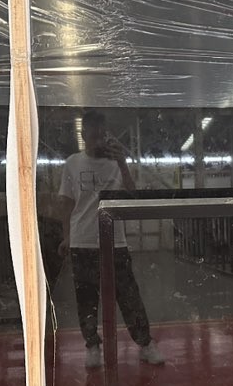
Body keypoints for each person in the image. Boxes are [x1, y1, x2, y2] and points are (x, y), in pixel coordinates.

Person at [58, 110, 164, 369]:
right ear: (83, 134)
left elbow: (133, 195)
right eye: (92, 133)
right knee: (86, 298)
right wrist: (67, 236)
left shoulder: (117, 162)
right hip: (83, 241)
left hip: (115, 240)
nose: (98, 138)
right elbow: (67, 203)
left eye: (101, 133)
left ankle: (145, 343)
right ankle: (92, 346)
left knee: (129, 296)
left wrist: (123, 163)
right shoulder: (72, 163)